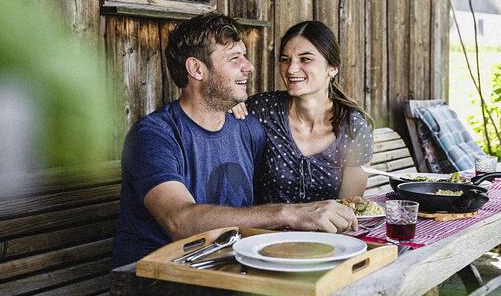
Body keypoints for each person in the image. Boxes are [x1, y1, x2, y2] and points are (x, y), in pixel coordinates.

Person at [112, 14, 357, 270]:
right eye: (234, 58)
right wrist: (288, 213)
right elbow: (180, 221)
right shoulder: (154, 135)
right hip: (161, 279)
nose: (249, 66)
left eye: (245, 56)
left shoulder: (247, 128)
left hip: (229, 268)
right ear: (196, 69)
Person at [232, 21, 374, 204]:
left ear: (332, 68)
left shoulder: (354, 128)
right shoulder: (262, 110)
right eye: (285, 59)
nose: (291, 69)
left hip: (327, 232)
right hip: (264, 231)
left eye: (305, 59)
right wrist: (228, 105)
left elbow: (348, 206)